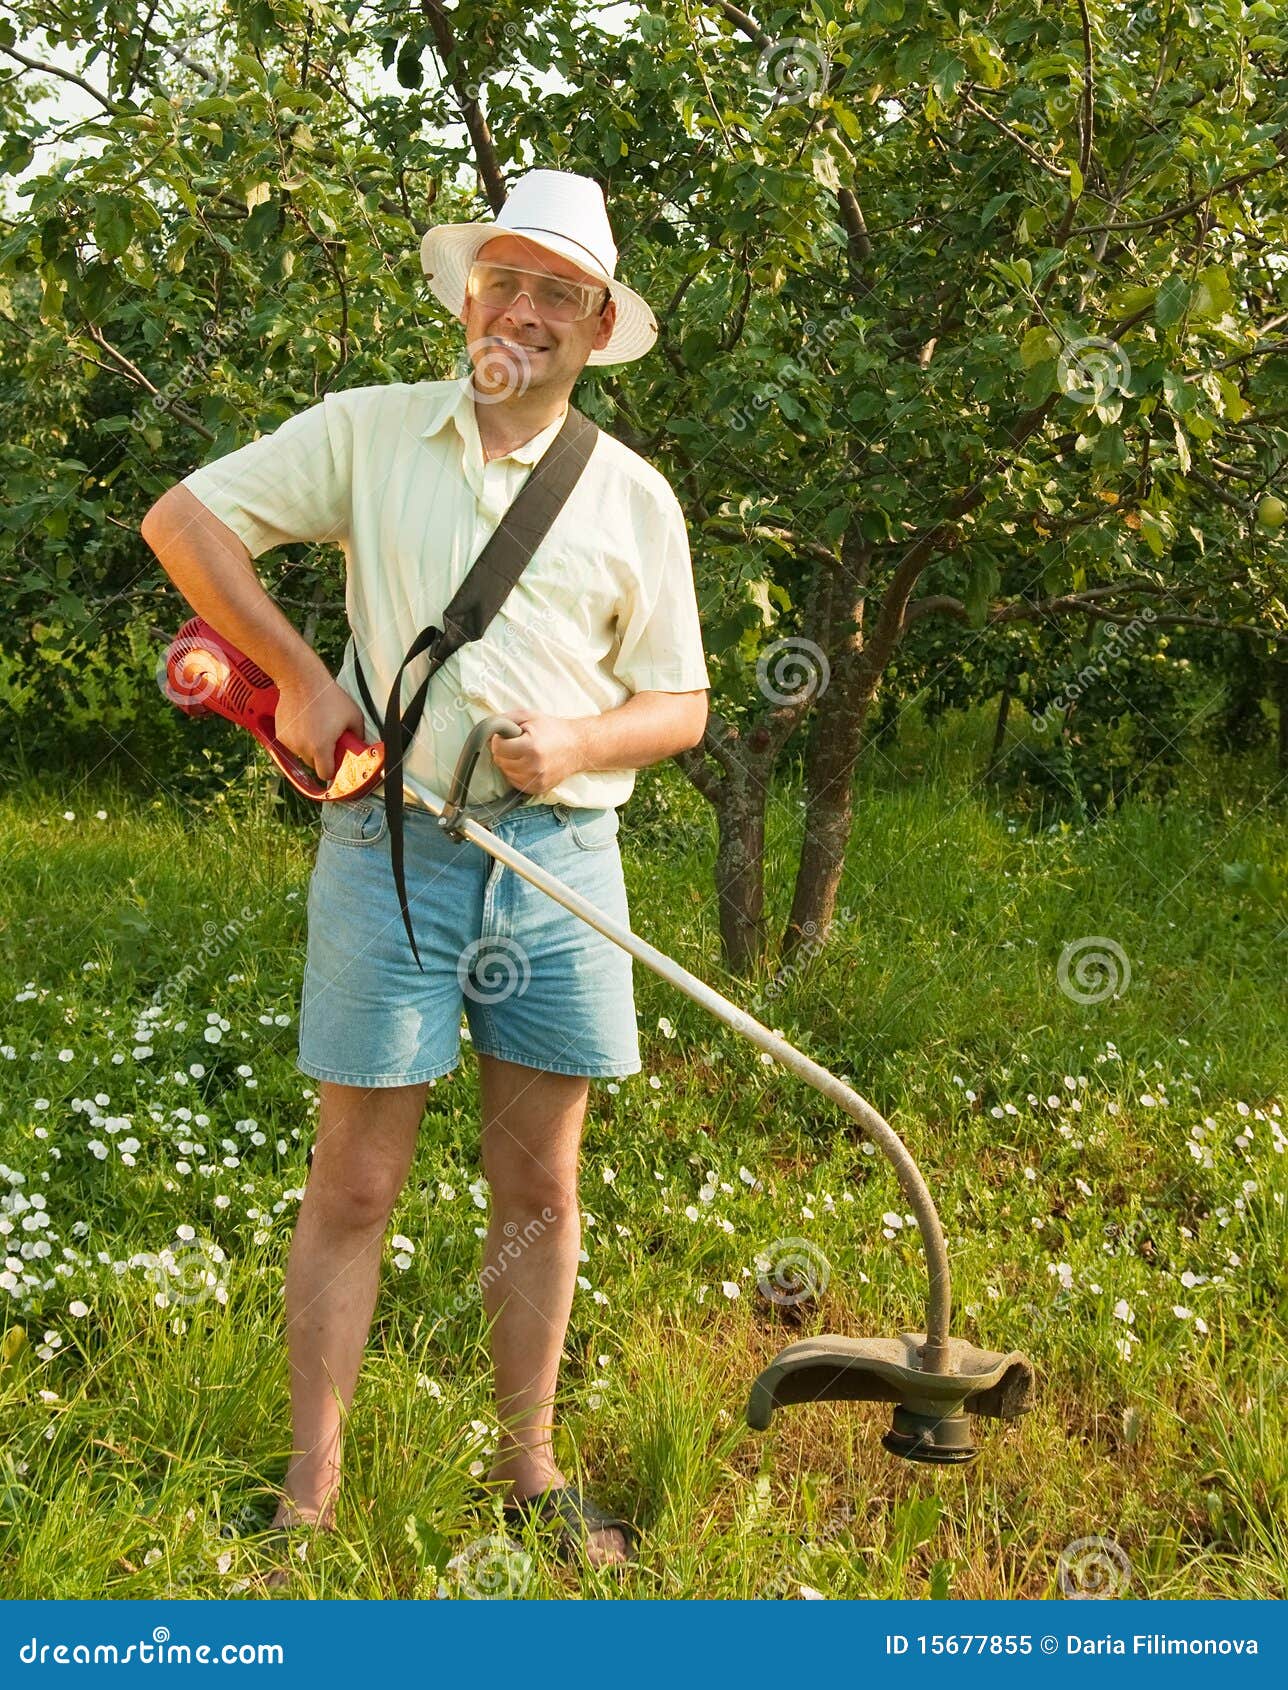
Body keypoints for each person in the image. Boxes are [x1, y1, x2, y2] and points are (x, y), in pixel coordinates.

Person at [141, 168, 710, 1578]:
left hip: (560, 859)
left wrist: (580, 734)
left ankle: (529, 1468)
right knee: (354, 1184)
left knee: (540, 1185)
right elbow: (182, 522)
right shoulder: (370, 432)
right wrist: (294, 673)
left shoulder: (632, 498)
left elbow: (684, 702)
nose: (522, 310)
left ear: (593, 327)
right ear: (469, 297)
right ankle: (309, 1498)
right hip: (390, 849)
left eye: (555, 295)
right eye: (502, 281)